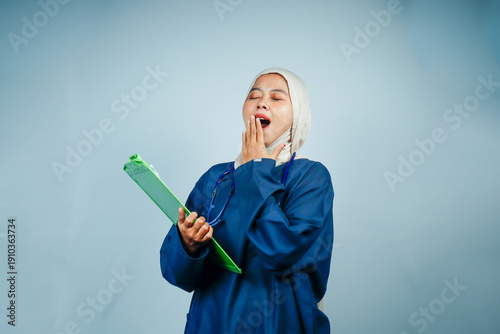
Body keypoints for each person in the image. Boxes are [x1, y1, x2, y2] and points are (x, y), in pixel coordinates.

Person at [160, 68, 334, 333]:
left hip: (278, 324)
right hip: (212, 323)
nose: (262, 102)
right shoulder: (215, 178)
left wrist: (255, 171)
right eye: (254, 96)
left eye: (277, 98)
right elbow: (176, 274)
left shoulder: (311, 177)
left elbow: (283, 253)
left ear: (297, 113)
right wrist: (188, 245)